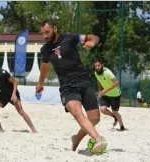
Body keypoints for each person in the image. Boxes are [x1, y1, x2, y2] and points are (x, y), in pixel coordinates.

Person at [35, 19, 107, 153]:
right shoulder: (45, 50)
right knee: (77, 111)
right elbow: (44, 68)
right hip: (67, 86)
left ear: (55, 29)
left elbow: (93, 37)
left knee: (95, 118)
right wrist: (40, 83)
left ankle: (76, 139)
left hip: (84, 81)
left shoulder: (70, 37)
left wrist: (92, 42)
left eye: (47, 32)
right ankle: (98, 139)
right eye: (42, 33)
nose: (45, 36)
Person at [0, 59, 37, 133]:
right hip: (3, 94)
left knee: (21, 111)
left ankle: (33, 130)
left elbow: (15, 81)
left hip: (12, 93)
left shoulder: (2, 73)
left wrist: (14, 94)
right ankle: (0, 129)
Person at [93, 59, 126, 131]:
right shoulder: (96, 73)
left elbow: (116, 82)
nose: (97, 67)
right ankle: (114, 117)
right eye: (96, 66)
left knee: (115, 111)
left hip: (115, 94)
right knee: (103, 109)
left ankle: (122, 127)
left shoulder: (107, 72)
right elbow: (99, 81)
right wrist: (100, 91)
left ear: (102, 65)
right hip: (105, 94)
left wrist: (105, 90)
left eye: (99, 65)